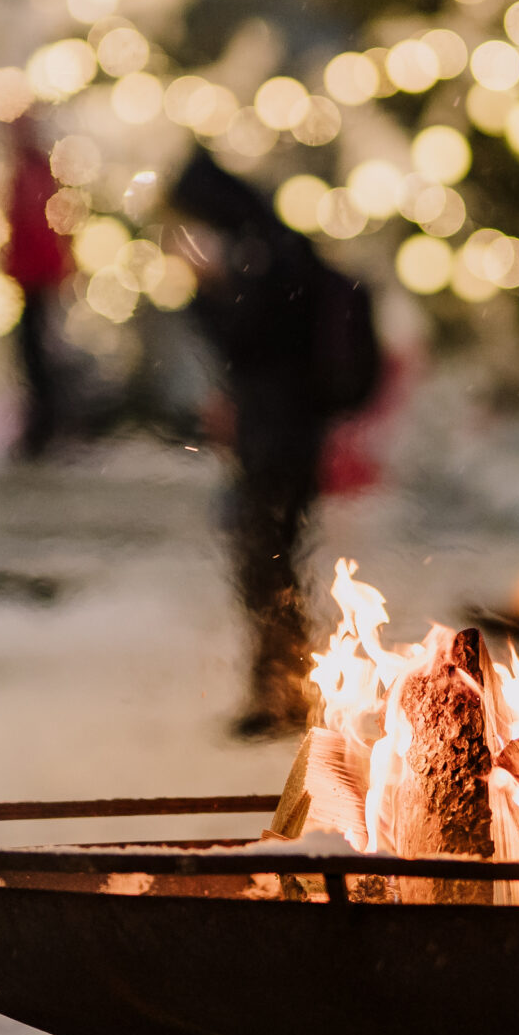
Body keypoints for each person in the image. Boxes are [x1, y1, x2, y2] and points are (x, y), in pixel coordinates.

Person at [167, 150, 377, 739]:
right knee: (271, 563)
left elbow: (247, 341)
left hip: (280, 436)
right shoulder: (278, 246)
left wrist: (205, 289)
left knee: (268, 564)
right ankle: (284, 688)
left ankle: (287, 691)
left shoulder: (262, 256)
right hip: (284, 432)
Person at [2, 115, 72, 459]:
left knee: (36, 356)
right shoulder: (34, 173)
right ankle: (43, 428)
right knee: (34, 356)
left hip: (35, 280)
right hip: (33, 278)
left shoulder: (32, 175)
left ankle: (44, 430)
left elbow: (35, 231)